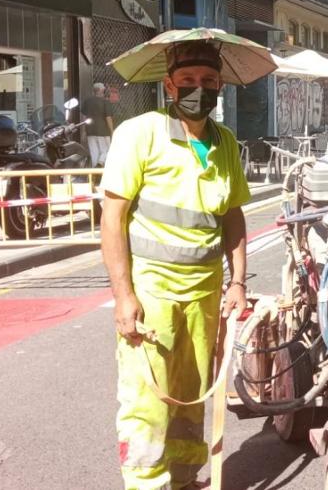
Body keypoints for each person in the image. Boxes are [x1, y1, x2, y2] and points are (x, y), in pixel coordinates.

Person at [99, 39, 250, 490]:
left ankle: (184, 479)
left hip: (205, 293)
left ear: (219, 87)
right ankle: (148, 484)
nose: (197, 89)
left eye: (207, 82)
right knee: (148, 398)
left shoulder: (224, 142)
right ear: (169, 85)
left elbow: (233, 216)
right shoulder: (140, 133)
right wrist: (123, 296)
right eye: (187, 82)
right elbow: (113, 217)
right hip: (152, 290)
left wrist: (238, 281)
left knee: (190, 394)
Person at [85, 82, 116, 167]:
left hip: (90, 131)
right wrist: (112, 131)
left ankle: (95, 174)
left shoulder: (87, 101)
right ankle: (100, 163)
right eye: (104, 89)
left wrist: (84, 130)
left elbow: (83, 116)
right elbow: (108, 117)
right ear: (101, 90)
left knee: (94, 152)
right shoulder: (105, 102)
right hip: (103, 132)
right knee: (107, 151)